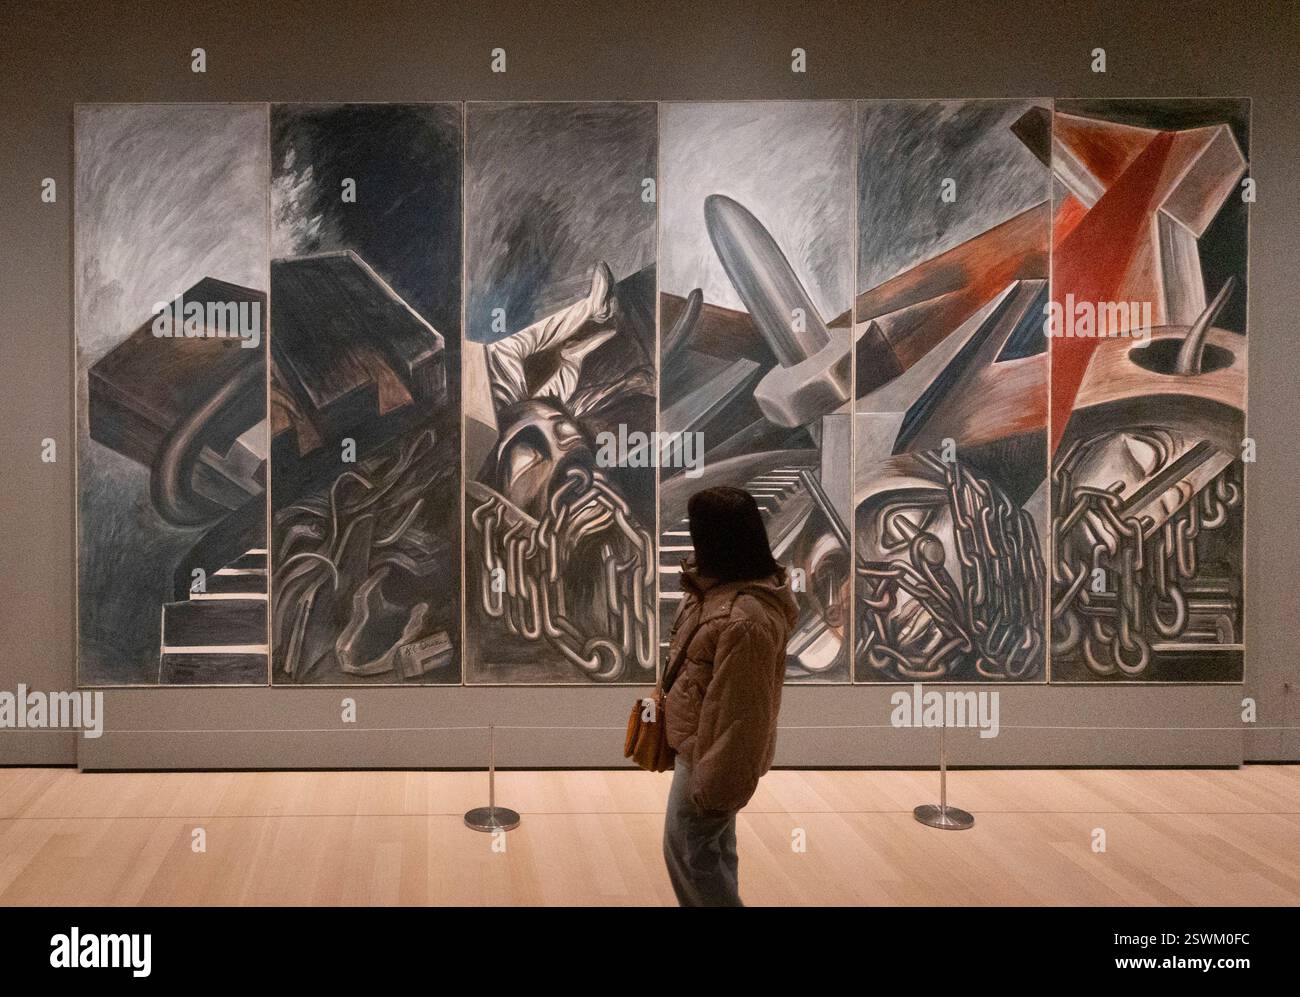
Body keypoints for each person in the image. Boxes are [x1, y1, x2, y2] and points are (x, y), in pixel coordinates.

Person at [661, 486, 798, 906]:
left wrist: (714, 785)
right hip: (699, 745)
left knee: (688, 850)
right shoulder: (716, 593)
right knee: (709, 851)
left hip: (711, 756)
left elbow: (742, 715)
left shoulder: (746, 618)